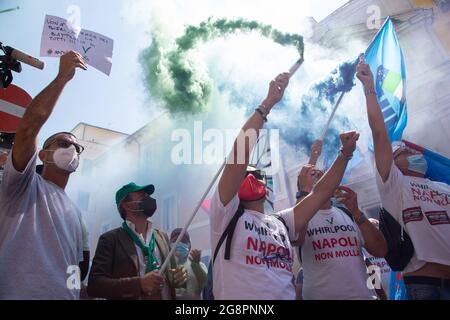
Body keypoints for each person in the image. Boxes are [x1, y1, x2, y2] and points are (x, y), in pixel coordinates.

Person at [210, 72, 360, 299]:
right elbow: (239, 154)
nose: (250, 177)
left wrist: (345, 154)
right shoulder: (226, 216)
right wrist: (267, 104)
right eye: (244, 174)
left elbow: (320, 193)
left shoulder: (281, 222)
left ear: (267, 188)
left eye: (257, 175)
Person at [357, 59, 450, 300]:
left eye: (414, 152)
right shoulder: (395, 186)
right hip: (423, 285)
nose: (415, 154)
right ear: (393, 162)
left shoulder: (443, 187)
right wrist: (369, 88)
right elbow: (379, 134)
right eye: (405, 153)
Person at [0, 51, 89, 300]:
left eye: (76, 147)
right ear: (42, 155)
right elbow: (28, 127)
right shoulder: (23, 184)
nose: (71, 149)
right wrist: (62, 77)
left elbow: (75, 266)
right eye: (62, 142)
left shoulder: (75, 211)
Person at [295, 142, 387, 300]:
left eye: (323, 175)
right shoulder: (297, 216)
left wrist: (357, 212)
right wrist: (313, 159)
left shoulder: (348, 214)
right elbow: (297, 234)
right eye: (314, 175)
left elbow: (380, 251)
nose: (321, 178)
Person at [87, 183, 187, 300]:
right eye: (142, 197)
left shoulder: (162, 237)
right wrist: (139, 284)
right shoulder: (110, 239)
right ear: (126, 205)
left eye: (148, 197)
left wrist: (178, 277)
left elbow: (173, 276)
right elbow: (95, 285)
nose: (149, 200)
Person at [170, 228, 208, 300]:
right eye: (175, 240)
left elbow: (207, 286)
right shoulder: (166, 266)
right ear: (169, 245)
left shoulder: (199, 265)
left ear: (189, 245)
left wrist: (196, 266)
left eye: (183, 241)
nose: (179, 243)